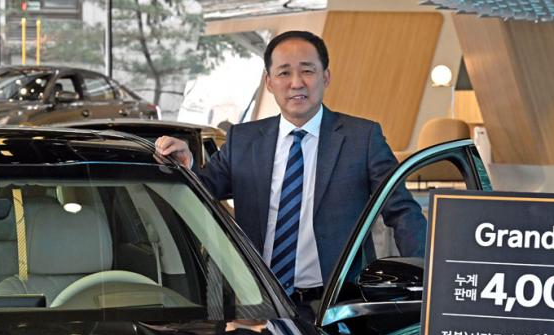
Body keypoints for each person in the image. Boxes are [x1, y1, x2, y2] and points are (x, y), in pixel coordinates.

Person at [155, 30, 425, 311]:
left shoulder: (362, 138)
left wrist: (426, 279)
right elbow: (205, 189)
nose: (296, 83)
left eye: (307, 70)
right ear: (269, 83)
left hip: (336, 304)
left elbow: (402, 211)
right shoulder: (243, 140)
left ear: (326, 77)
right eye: (284, 73)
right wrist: (186, 166)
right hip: (258, 303)